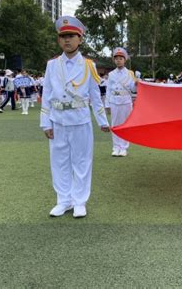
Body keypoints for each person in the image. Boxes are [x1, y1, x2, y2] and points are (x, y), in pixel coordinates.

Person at [40, 15, 110, 218]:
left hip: (80, 120)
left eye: (71, 36)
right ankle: (64, 200)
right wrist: (45, 123)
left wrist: (102, 121)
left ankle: (80, 201)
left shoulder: (89, 65)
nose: (67, 40)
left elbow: (96, 97)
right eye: (63, 36)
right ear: (58, 40)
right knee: (59, 162)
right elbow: (47, 95)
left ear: (80, 39)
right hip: (58, 119)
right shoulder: (52, 65)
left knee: (81, 161)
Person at [105, 47, 137, 157]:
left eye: (121, 58)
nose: (118, 60)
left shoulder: (130, 74)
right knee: (115, 125)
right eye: (116, 58)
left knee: (125, 125)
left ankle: (123, 148)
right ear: (114, 60)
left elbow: (133, 89)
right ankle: (116, 147)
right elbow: (108, 90)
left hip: (126, 101)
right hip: (114, 101)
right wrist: (107, 104)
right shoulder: (111, 74)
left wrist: (136, 84)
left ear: (125, 60)